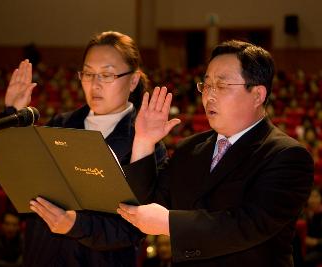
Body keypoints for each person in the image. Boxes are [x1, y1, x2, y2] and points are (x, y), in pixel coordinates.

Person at [117, 40, 314, 266]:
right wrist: (144, 141)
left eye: (221, 86)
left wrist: (170, 223)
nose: (209, 95)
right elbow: (146, 203)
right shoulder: (189, 149)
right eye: (206, 85)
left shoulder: (287, 156)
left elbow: (246, 225)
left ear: (258, 95)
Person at [0, 31, 167, 266]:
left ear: (133, 80)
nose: (95, 84)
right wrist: (13, 115)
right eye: (88, 73)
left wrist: (75, 225)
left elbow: (133, 229)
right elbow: (18, 182)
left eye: (107, 74)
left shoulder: (145, 143)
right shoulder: (61, 125)